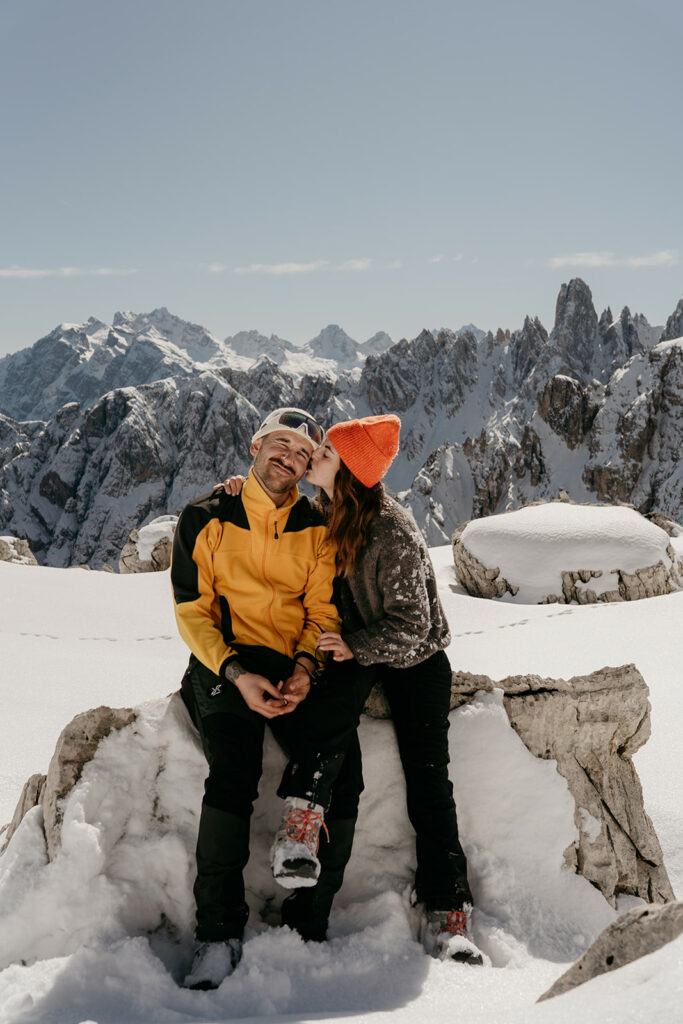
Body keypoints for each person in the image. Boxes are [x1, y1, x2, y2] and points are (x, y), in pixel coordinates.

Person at [223, 414, 484, 966]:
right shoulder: (324, 510)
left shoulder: (390, 530)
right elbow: (272, 510)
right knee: (332, 711)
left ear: (350, 471)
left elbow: (415, 624)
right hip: (353, 643)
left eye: (325, 453)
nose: (312, 456)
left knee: (429, 781)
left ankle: (449, 909)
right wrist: (238, 490)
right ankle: (302, 821)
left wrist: (356, 647)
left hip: (414, 659)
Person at [171, 407, 369, 990]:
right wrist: (236, 674)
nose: (289, 457)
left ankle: (308, 923)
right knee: (234, 771)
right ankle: (217, 934)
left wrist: (306, 668)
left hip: (290, 665)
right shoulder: (206, 515)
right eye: (280, 444)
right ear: (255, 446)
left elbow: (321, 611)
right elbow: (191, 612)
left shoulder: (315, 527)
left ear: (309, 467)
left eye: (302, 452)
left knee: (344, 774)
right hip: (223, 662)